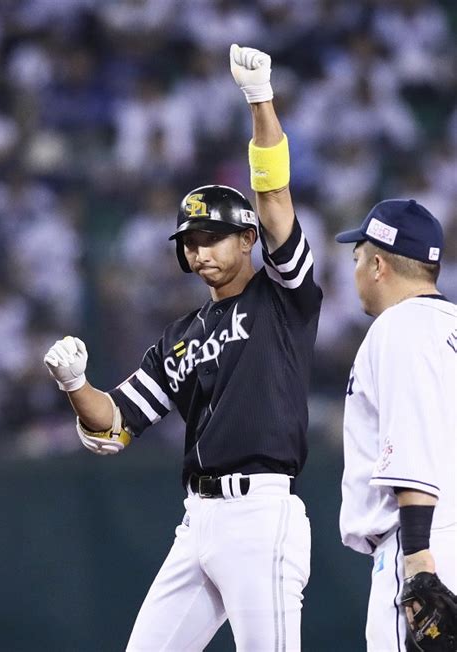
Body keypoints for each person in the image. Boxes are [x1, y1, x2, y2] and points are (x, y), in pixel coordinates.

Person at [44, 44, 322, 651]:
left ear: (247, 239)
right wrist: (76, 386)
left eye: (212, 236)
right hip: (197, 521)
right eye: (190, 240)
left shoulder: (283, 298)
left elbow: (275, 198)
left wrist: (259, 101)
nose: (198, 250)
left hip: (260, 513)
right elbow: (113, 428)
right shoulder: (179, 336)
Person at [335, 199, 456, 651]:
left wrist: (420, 561)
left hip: (423, 542)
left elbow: (410, 443)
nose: (356, 270)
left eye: (358, 257)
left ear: (379, 264)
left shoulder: (399, 328)